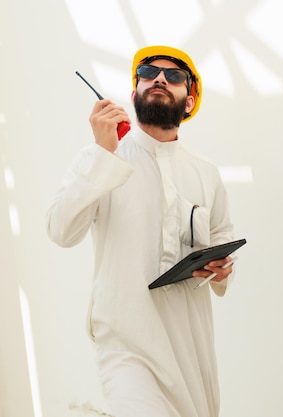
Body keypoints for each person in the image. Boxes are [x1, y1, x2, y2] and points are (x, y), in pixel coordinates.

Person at [46, 45, 237, 417]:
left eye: (174, 75)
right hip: (126, 344)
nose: (160, 78)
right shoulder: (100, 157)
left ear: (189, 101)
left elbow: (222, 248)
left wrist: (222, 269)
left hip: (190, 348)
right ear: (133, 94)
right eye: (148, 72)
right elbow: (60, 231)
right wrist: (104, 153)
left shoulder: (206, 173)